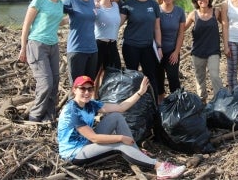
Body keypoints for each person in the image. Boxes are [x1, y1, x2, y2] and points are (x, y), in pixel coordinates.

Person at [57, 75, 186, 179]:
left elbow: (121, 107)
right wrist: (121, 138)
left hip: (86, 143)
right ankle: (160, 168)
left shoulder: (90, 104)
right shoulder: (72, 111)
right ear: (74, 90)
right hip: (74, 153)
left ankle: (135, 152)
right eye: (82, 89)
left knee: (116, 116)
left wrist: (140, 93)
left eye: (89, 89)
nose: (86, 92)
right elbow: (94, 138)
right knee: (119, 143)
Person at [19, 0, 65, 122]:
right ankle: (35, 116)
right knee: (45, 83)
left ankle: (49, 115)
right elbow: (26, 24)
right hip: (37, 44)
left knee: (55, 81)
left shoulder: (59, 3)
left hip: (53, 45)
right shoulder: (39, 0)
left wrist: (76, 18)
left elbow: (56, 21)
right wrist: (23, 47)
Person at [120, 0, 162, 101]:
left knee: (150, 76)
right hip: (130, 46)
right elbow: (117, 23)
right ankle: (131, 105)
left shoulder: (154, 5)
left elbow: (157, 28)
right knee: (132, 77)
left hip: (148, 47)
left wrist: (159, 47)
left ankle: (153, 104)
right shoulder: (128, 4)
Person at [185, 0, 223, 103]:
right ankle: (202, 101)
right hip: (198, 51)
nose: (203, 0)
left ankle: (219, 99)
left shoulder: (216, 12)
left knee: (214, 75)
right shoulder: (193, 15)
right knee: (199, 78)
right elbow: (181, 29)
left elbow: (226, 25)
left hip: (213, 50)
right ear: (196, 1)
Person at [64, 0, 98, 84]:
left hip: (92, 50)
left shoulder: (92, 1)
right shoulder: (72, 0)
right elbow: (53, 7)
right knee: (76, 87)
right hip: (77, 50)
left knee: (88, 85)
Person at [156, 0, 185, 104]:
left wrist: (176, 52)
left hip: (172, 51)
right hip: (157, 51)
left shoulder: (179, 11)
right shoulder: (156, 10)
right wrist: (159, 48)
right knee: (158, 79)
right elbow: (154, 30)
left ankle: (176, 104)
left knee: (173, 79)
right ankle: (160, 105)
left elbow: (181, 33)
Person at [93, 0, 122, 97]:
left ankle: (107, 98)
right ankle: (93, 99)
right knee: (95, 75)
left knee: (114, 73)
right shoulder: (96, 6)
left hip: (112, 44)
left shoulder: (115, 5)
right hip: (99, 43)